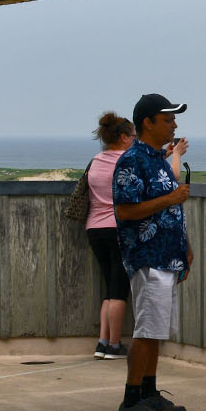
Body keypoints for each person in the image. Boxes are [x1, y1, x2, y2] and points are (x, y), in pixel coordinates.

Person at [111, 93, 193, 411]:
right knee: (146, 331)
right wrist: (172, 197)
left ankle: (149, 392)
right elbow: (124, 210)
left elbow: (170, 209)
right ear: (148, 122)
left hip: (167, 257)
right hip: (147, 258)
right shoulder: (132, 161)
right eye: (168, 119)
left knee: (156, 330)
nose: (174, 125)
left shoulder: (158, 158)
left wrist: (185, 246)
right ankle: (130, 402)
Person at [84, 111, 134, 359]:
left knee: (108, 286)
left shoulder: (95, 161)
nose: (135, 141)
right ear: (124, 137)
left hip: (94, 229)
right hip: (119, 228)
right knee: (119, 289)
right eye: (133, 136)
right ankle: (115, 345)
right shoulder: (126, 161)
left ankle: (102, 343)